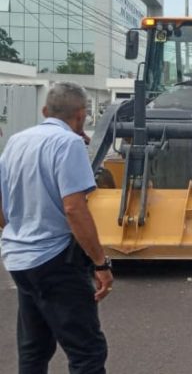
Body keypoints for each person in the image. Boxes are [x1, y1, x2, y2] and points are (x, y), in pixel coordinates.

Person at [0, 82, 112, 374]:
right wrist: (100, 262)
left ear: (45, 111)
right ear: (80, 115)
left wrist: (17, 232)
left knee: (34, 350)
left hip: (19, 259)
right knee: (87, 351)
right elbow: (75, 209)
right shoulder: (69, 144)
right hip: (56, 262)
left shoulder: (16, 141)